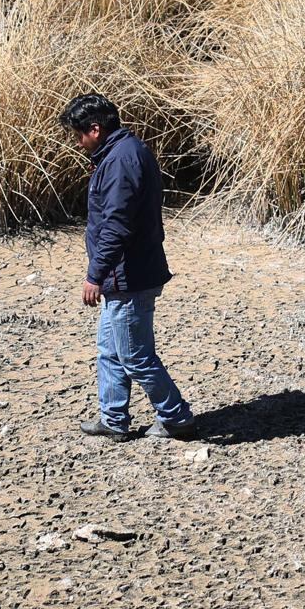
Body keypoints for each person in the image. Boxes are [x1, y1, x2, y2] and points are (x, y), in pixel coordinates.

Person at [61, 93, 197, 442]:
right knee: (110, 350)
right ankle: (113, 420)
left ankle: (177, 418)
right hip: (125, 274)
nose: (77, 143)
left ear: (95, 129)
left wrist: (95, 275)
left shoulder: (121, 160)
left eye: (79, 135)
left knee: (135, 356)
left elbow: (118, 225)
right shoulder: (121, 153)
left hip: (129, 276)